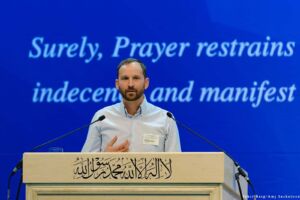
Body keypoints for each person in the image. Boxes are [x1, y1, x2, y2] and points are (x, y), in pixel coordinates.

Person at [81, 58, 181, 152]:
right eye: (125, 78)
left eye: (136, 78)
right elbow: (84, 165)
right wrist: (103, 158)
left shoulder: (166, 119)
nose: (130, 84)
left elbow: (177, 165)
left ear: (146, 83)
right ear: (117, 83)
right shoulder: (102, 118)